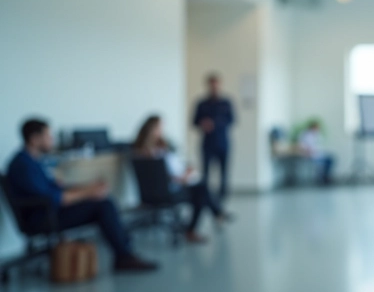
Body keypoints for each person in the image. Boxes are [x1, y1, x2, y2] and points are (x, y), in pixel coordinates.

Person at [6, 118, 158, 272]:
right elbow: (55, 198)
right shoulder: (23, 165)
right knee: (103, 205)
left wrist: (88, 187)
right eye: (48, 136)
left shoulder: (33, 161)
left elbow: (57, 188)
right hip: (42, 217)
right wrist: (88, 192)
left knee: (102, 200)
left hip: (49, 211)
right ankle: (124, 256)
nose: (52, 140)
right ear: (34, 139)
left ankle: (125, 252)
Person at [133, 115, 231, 243]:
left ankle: (215, 214)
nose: (162, 131)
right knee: (201, 191)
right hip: (165, 191)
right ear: (152, 129)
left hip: (163, 187)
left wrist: (184, 172)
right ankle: (206, 220)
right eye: (159, 128)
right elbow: (162, 176)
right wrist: (183, 178)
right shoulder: (148, 153)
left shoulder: (149, 148)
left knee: (201, 187)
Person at [193, 73, 234, 202]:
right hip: (207, 143)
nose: (214, 87)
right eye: (212, 85)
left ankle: (222, 198)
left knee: (224, 173)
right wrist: (203, 124)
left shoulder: (226, 103)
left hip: (223, 142)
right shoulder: (201, 103)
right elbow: (194, 121)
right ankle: (206, 197)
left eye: (216, 85)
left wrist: (215, 124)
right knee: (205, 173)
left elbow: (232, 120)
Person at [297, 121, 335, 185]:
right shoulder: (305, 135)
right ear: (312, 127)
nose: (317, 129)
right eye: (316, 128)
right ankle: (323, 179)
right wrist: (307, 151)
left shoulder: (317, 135)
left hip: (317, 154)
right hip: (309, 155)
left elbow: (319, 145)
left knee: (330, 159)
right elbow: (301, 145)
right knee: (323, 162)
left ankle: (325, 177)